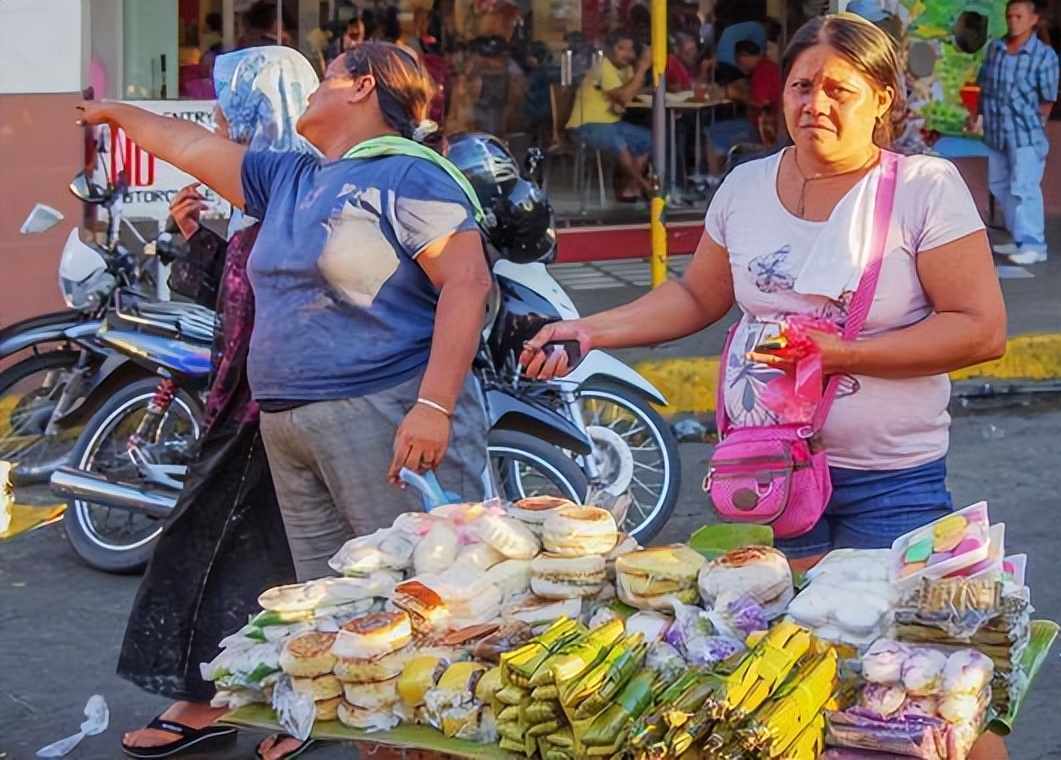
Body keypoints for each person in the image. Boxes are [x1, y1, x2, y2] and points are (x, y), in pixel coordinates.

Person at [525, 15, 1009, 756]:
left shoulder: (923, 188)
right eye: (802, 85)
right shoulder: (747, 186)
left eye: (839, 88)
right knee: (788, 680)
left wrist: (841, 354)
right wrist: (593, 330)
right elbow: (695, 298)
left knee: (914, 685)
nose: (816, 101)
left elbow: (980, 329)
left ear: (882, 97)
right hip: (768, 479)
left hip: (890, 480)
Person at [81, 41, 493, 759]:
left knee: (419, 607)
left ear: (361, 86)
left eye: (327, 76)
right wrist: (116, 113)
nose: (311, 89)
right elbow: (189, 144)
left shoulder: (410, 176)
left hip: (382, 416)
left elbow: (467, 286)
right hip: (290, 428)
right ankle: (382, 748)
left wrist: (432, 406)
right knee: (344, 616)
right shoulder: (292, 177)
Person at [115, 46, 317, 760]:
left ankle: (279, 703)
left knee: (278, 560)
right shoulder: (252, 200)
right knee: (236, 556)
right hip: (241, 409)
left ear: (261, 110)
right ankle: (232, 696)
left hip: (285, 408)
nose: (216, 122)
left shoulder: (305, 194)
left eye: (230, 109)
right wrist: (196, 241)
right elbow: (229, 307)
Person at [973, 0, 1058, 265]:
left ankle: (1034, 244)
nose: (1013, 21)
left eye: (1019, 16)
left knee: (1024, 188)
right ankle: (1019, 237)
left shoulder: (1044, 56)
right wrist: (979, 116)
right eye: (1010, 16)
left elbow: (1048, 98)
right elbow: (984, 86)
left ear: (1033, 20)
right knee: (1000, 185)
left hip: (1025, 135)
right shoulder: (996, 49)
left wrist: (1037, 123)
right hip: (997, 132)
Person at [565, 30, 654, 202]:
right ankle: (644, 185)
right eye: (622, 48)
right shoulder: (602, 66)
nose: (627, 54)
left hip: (612, 123)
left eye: (630, 50)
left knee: (649, 138)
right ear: (610, 49)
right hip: (585, 125)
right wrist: (642, 68)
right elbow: (623, 96)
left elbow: (631, 90)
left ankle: (629, 186)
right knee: (616, 140)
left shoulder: (626, 69)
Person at [705, 40, 781, 175]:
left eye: (739, 60)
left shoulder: (761, 71)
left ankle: (716, 178)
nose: (738, 64)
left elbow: (762, 102)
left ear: (744, 56)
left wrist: (737, 96)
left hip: (764, 131)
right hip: (767, 127)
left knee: (710, 132)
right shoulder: (768, 67)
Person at [714, 18, 767, 83]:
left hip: (720, 60)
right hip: (733, 63)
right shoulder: (760, 30)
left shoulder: (744, 27)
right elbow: (757, 56)